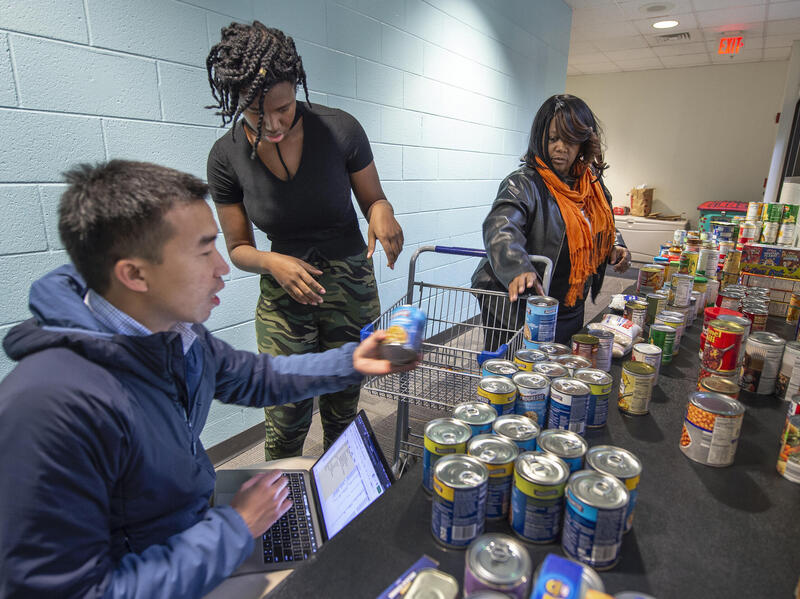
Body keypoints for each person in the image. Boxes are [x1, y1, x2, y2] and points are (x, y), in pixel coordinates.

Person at [0, 160, 414, 599]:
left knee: (319, 504)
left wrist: (354, 361)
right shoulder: (48, 407)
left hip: (194, 524)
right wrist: (235, 528)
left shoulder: (171, 332)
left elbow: (255, 377)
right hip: (171, 561)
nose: (223, 267)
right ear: (134, 274)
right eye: (203, 251)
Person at [205, 22, 403, 460]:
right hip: (284, 286)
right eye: (258, 114)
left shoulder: (340, 130)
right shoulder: (226, 156)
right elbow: (238, 248)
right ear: (237, 101)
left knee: (343, 403)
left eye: (284, 108)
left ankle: (346, 500)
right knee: (285, 411)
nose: (273, 123)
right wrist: (272, 262)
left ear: (297, 89)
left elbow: (373, 200)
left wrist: (382, 211)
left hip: (349, 283)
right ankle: (284, 510)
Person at [472, 94, 630, 348]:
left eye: (570, 140)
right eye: (553, 138)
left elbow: (600, 222)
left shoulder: (591, 183)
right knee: (512, 366)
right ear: (540, 138)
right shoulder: (523, 182)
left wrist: (615, 244)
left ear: (584, 143)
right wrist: (516, 267)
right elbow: (501, 227)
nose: (561, 148)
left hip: (568, 298)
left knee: (559, 366)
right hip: (516, 299)